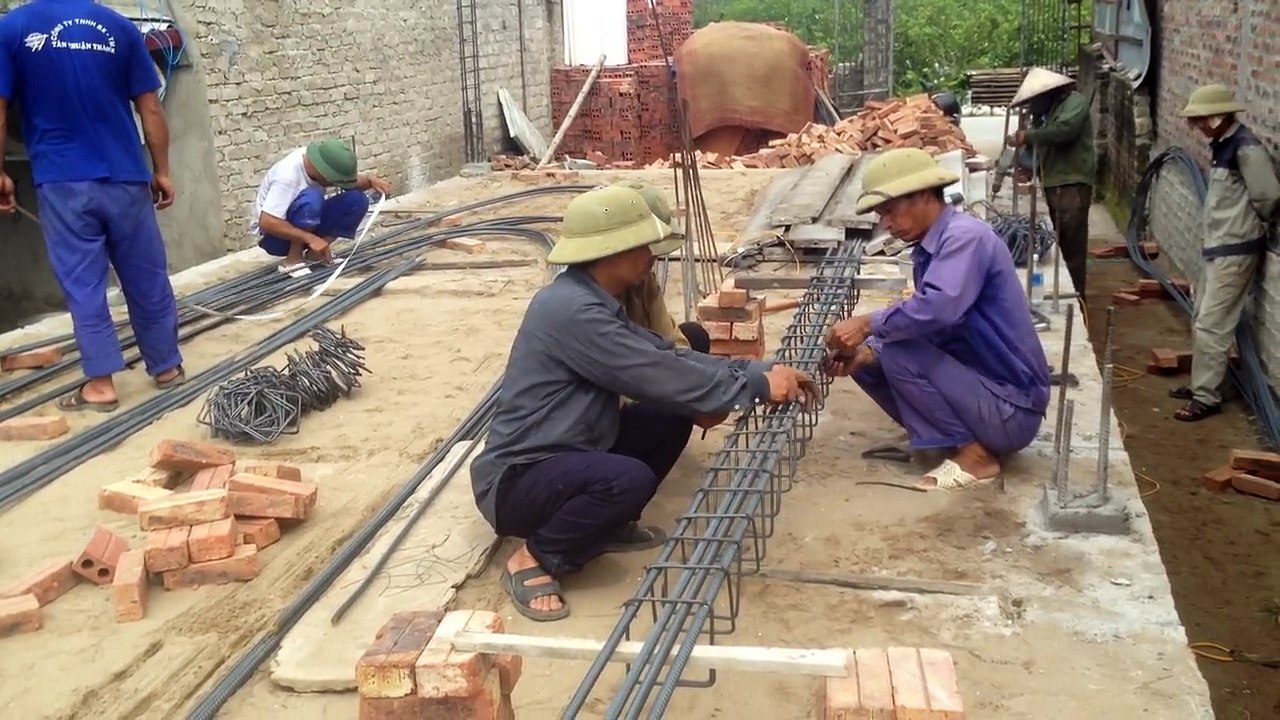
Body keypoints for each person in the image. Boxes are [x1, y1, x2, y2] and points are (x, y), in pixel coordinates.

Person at [470, 186, 817, 621]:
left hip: (568, 454)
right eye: (643, 246)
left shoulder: (591, 298)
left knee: (668, 416)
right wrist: (757, 388)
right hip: (519, 481)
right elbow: (654, 373)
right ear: (613, 251)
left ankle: (603, 526)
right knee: (625, 479)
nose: (651, 256)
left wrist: (755, 373)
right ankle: (537, 556)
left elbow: (665, 354)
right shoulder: (573, 311)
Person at [825, 148, 1050, 490]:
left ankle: (977, 458)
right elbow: (938, 330)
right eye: (880, 214)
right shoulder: (933, 246)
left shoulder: (965, 238)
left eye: (890, 210)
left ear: (925, 195)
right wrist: (868, 353)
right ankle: (939, 438)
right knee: (869, 356)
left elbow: (938, 308)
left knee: (896, 351)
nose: (885, 224)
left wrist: (866, 323)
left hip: (1012, 410)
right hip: (985, 393)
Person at [0, 0, 185, 412]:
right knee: (146, 274)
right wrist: (163, 170)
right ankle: (166, 367)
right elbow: (150, 107)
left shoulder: (13, 29)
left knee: (84, 284)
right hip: (126, 176)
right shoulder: (119, 27)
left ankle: (101, 385)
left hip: (64, 179)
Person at [1169, 85, 1279, 422]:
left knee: (1213, 324)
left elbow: (1268, 196)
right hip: (1219, 246)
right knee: (1201, 315)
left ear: (1218, 117)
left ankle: (1207, 396)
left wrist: (1249, 228)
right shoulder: (1224, 146)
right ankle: (1202, 382)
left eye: (1202, 120)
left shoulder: (1246, 149)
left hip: (1236, 249)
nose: (1198, 126)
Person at [1007, 67, 1096, 295]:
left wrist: (1028, 136)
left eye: (1035, 100)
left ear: (1049, 93)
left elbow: (1064, 131)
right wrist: (1026, 167)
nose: (1032, 106)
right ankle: (1063, 288)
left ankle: (1077, 295)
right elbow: (1035, 147)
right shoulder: (1044, 113)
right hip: (1053, 182)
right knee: (1058, 241)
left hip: (1072, 183)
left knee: (1071, 245)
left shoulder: (1074, 103)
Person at [252, 139, 392, 274]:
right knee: (312, 199)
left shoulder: (318, 163)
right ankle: (293, 260)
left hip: (308, 225)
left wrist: (370, 180)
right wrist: (311, 239)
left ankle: (316, 254)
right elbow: (267, 222)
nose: (334, 185)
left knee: (357, 200)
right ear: (323, 173)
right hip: (276, 239)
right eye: (332, 181)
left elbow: (350, 183)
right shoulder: (287, 176)